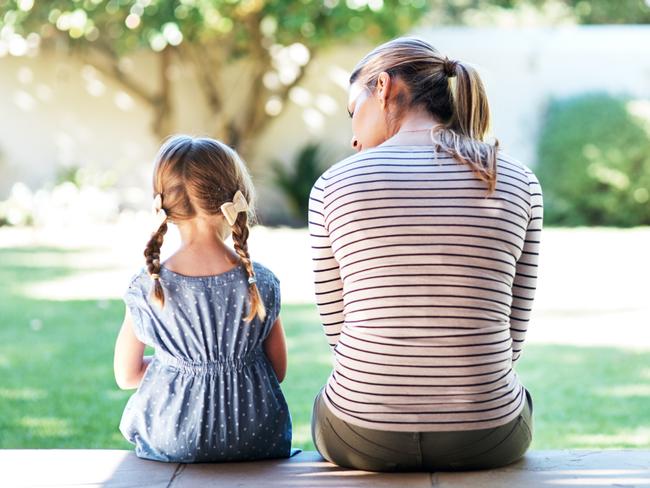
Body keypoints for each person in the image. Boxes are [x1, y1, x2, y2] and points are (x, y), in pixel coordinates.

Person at [309, 37, 543, 471]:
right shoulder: (517, 180)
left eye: (352, 111)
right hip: (487, 434)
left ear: (382, 87)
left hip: (361, 435)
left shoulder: (333, 185)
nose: (354, 137)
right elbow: (513, 333)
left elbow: (338, 333)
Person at [113, 135, 292, 463]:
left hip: (173, 438)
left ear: (163, 205)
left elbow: (126, 375)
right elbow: (277, 370)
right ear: (237, 199)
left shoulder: (148, 286)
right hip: (256, 437)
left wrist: (178, 366)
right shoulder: (261, 281)